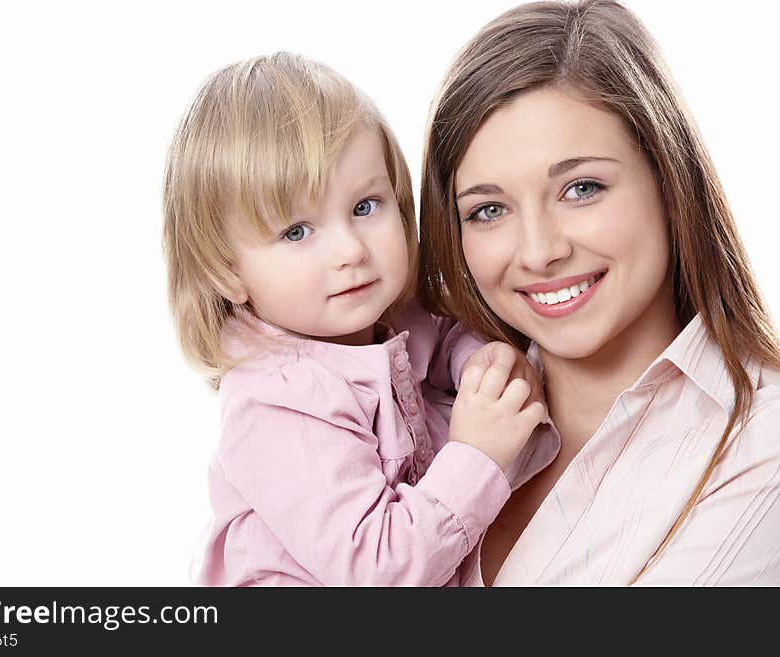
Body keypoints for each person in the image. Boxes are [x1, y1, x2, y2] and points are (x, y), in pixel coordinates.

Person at [418, 0, 780, 586]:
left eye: (581, 188)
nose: (538, 251)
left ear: (669, 178)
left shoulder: (760, 441)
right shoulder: (422, 422)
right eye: (488, 209)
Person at [162, 53, 555, 586]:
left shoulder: (389, 317)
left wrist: (478, 363)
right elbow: (380, 570)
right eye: (297, 232)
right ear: (228, 273)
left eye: (366, 206)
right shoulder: (275, 405)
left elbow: (440, 342)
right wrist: (476, 455)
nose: (350, 250)